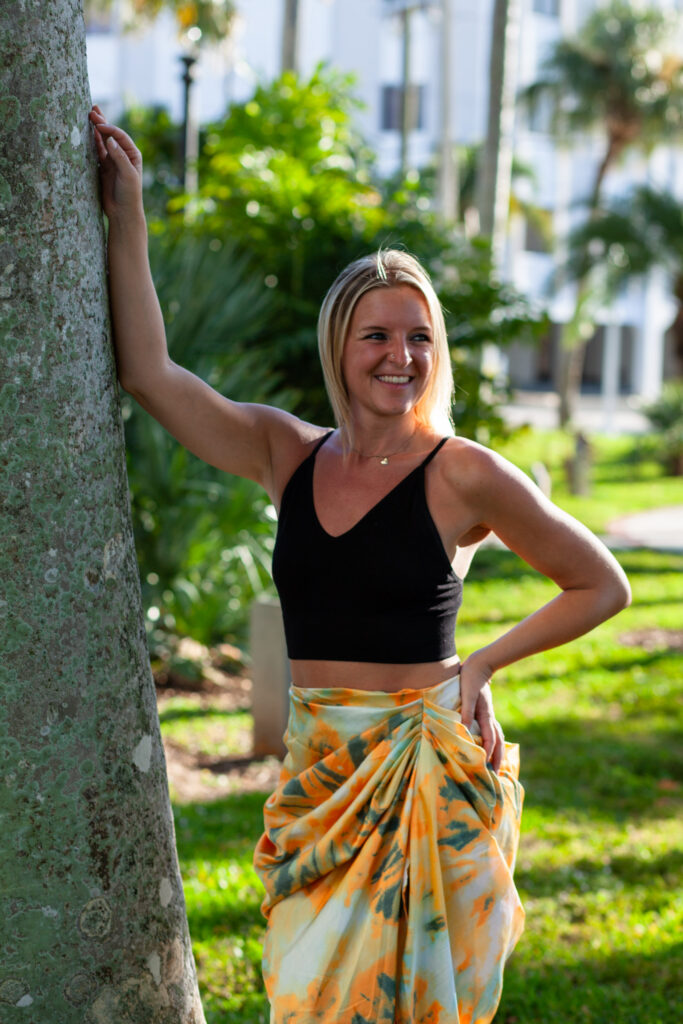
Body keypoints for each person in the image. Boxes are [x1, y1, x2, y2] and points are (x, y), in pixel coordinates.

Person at [89, 107, 631, 1024]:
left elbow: (600, 583)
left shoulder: (462, 473)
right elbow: (151, 374)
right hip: (320, 778)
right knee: (309, 1002)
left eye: (417, 336)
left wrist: (484, 662)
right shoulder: (284, 452)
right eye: (376, 335)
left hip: (427, 774)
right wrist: (127, 211)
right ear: (340, 345)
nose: (400, 356)